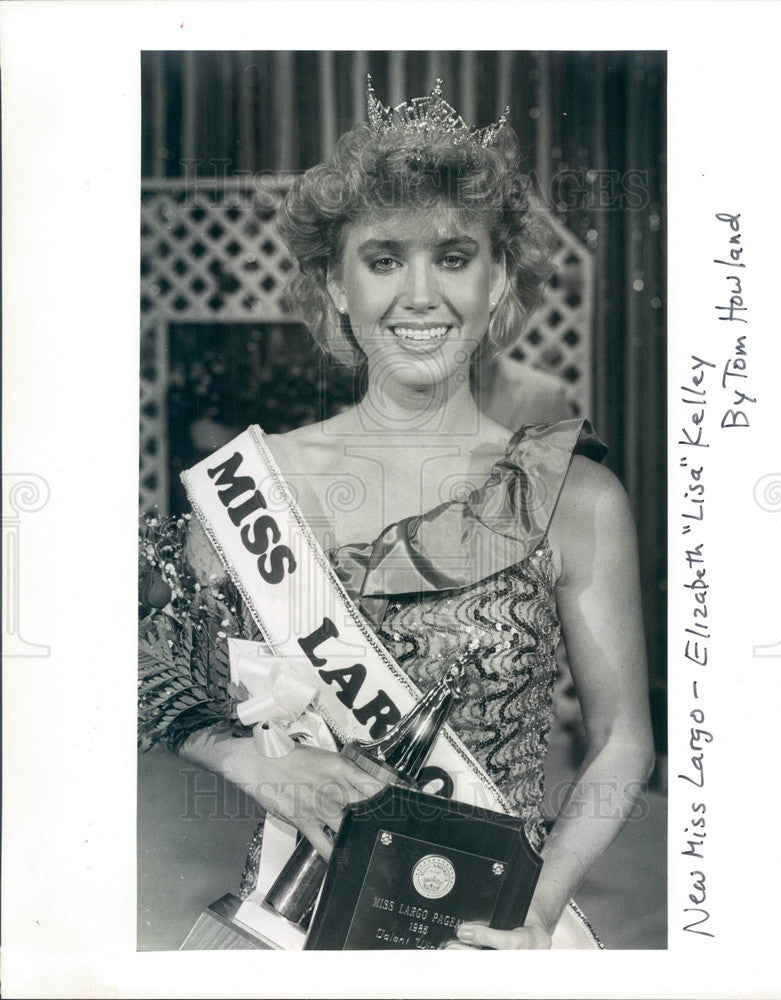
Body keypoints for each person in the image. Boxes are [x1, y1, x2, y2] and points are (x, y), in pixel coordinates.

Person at [144, 79, 654, 950]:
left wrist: (535, 910)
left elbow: (619, 741)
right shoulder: (252, 484)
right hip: (286, 930)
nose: (420, 296)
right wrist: (245, 760)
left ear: (498, 282)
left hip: (488, 930)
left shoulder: (576, 496)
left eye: (453, 257)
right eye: (383, 260)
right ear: (336, 286)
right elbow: (141, 673)